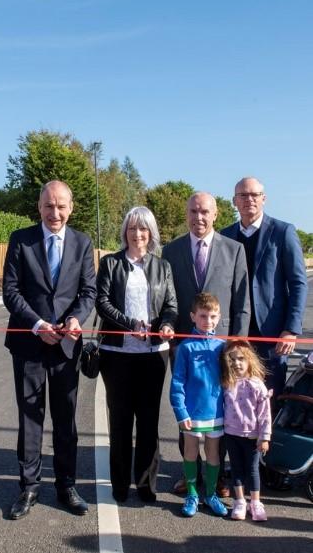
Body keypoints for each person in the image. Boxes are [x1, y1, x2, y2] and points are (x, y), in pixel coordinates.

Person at [2, 180, 97, 520]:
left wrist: (74, 319)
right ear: (39, 207)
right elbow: (11, 291)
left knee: (65, 419)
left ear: (70, 208)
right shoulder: (20, 239)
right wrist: (38, 325)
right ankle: (28, 487)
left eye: (61, 206)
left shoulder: (83, 243)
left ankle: (66, 485)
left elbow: (88, 291)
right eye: (48, 206)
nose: (54, 213)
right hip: (29, 343)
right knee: (30, 418)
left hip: (66, 347)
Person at [162, 191, 250, 497]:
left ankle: (218, 476)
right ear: (186, 214)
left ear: (215, 215)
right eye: (193, 211)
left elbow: (242, 301)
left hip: (221, 349)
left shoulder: (234, 250)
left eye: (205, 212)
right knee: (185, 403)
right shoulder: (171, 251)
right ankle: (190, 475)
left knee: (220, 409)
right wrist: (170, 327)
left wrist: (238, 344)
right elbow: (167, 300)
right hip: (184, 346)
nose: (199, 217)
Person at [96, 206, 177, 504]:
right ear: (125, 232)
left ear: (151, 233)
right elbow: (102, 302)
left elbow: (171, 305)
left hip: (153, 355)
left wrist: (166, 324)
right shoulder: (110, 263)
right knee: (119, 422)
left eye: (143, 229)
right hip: (116, 354)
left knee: (148, 421)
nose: (138, 234)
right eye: (132, 228)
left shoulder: (162, 267)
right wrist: (130, 325)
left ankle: (145, 484)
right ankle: (119, 484)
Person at [221, 177, 308, 400]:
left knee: (269, 402)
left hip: (272, 334)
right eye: (243, 195)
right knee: (233, 401)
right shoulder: (224, 236)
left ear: (264, 199)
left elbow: (298, 283)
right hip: (235, 333)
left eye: (254, 195)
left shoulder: (282, 232)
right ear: (234, 201)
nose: (249, 199)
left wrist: (291, 329)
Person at [170, 293, 228, 518]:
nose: (208, 321)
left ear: (219, 317)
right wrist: (180, 411)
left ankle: (211, 494)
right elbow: (177, 384)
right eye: (203, 316)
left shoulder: (223, 347)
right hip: (191, 413)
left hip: (216, 412)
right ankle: (192, 493)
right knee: (190, 451)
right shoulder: (185, 348)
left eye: (213, 316)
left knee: (213, 454)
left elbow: (231, 382)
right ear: (193, 316)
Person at [220, 340, 271, 521]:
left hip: (252, 436)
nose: (236, 363)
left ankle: (255, 502)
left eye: (241, 359)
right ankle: (240, 501)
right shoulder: (227, 383)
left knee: (252, 469)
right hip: (231, 434)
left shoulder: (257, 385)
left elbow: (265, 415)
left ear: (249, 360)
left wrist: (264, 438)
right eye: (232, 360)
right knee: (236, 468)